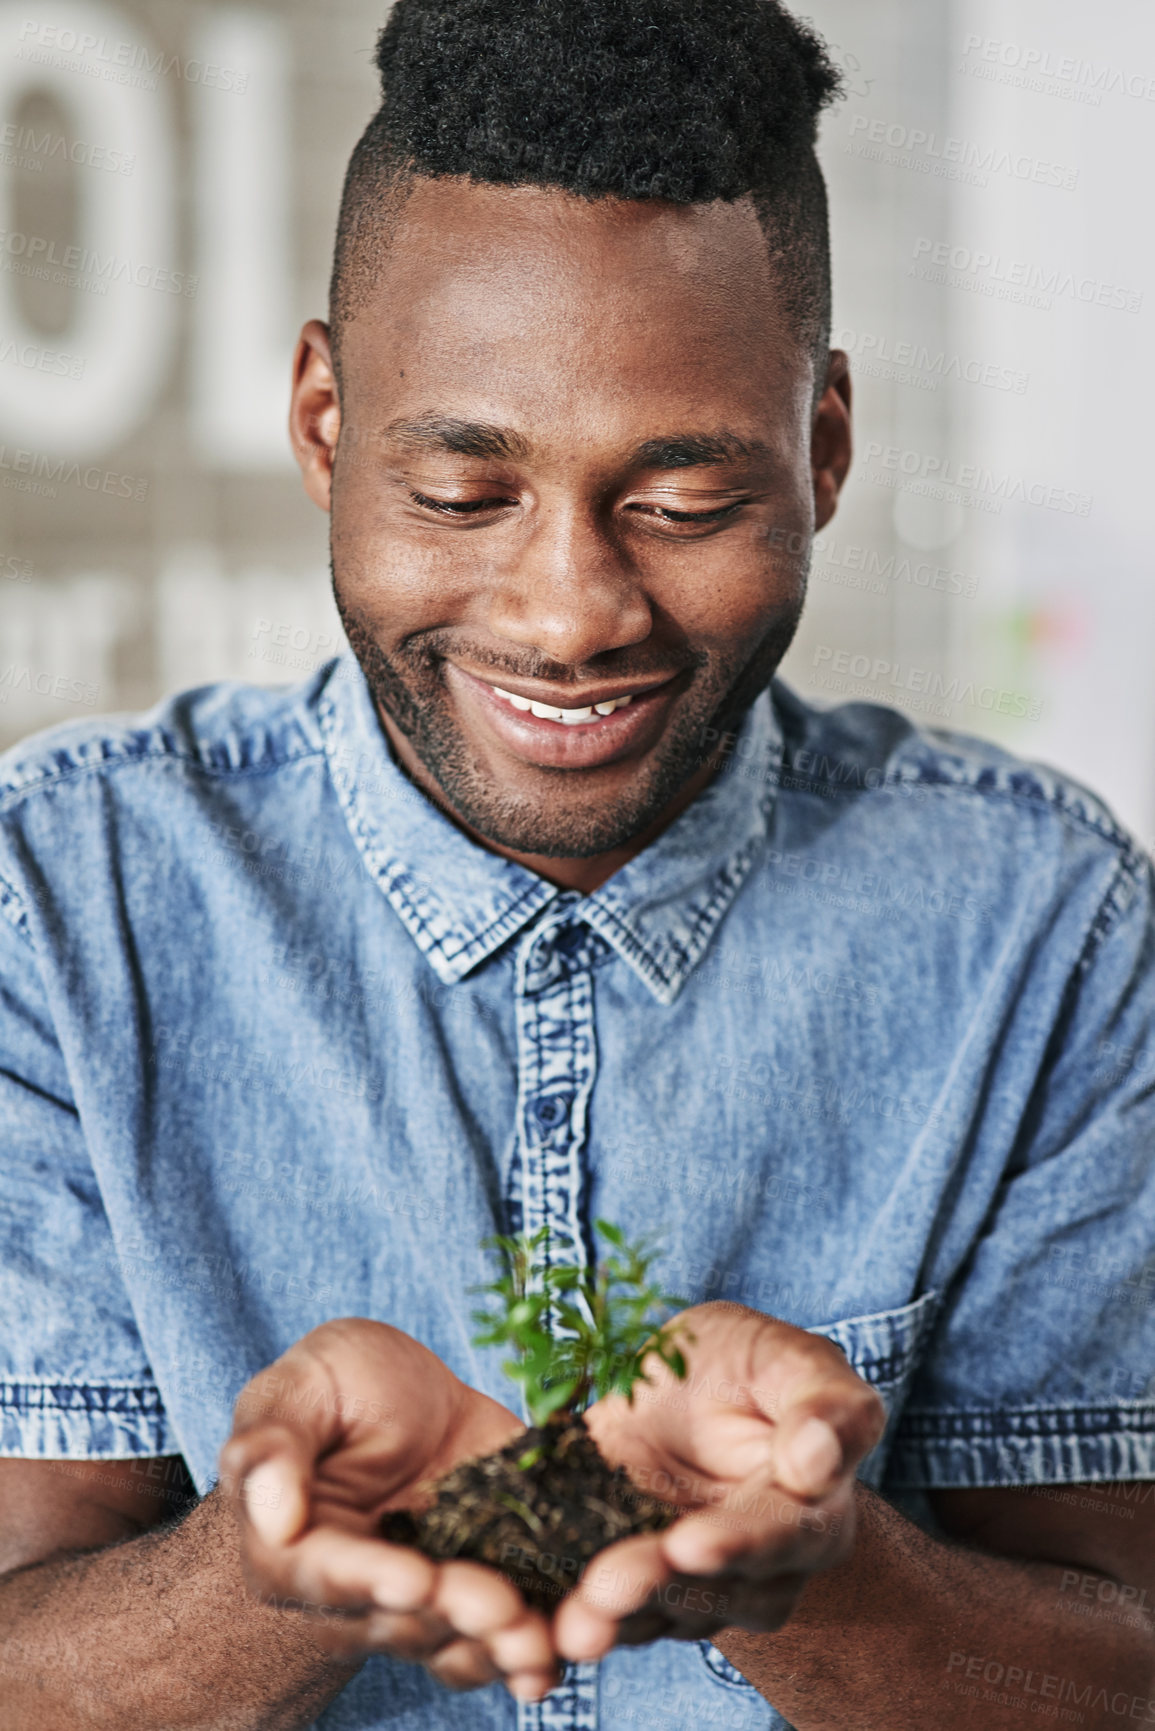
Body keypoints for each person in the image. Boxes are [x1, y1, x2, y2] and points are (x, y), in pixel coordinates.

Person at [1, 0, 1152, 1725]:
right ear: (324, 425)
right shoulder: (63, 908)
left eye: (684, 506)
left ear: (824, 449)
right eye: (464, 492)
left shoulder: (1037, 927)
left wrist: (819, 1572)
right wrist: (283, 1561)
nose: (568, 613)